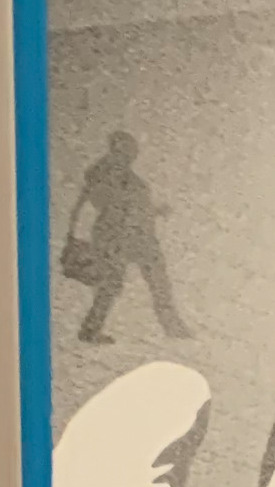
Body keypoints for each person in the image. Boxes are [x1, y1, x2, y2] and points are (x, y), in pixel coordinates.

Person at [62, 130, 191, 343]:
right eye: (127, 150)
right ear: (117, 150)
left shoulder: (121, 176)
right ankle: (91, 330)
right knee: (117, 284)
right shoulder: (104, 175)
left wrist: (155, 211)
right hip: (117, 239)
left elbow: (131, 206)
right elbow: (107, 206)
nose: (130, 155)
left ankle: (172, 326)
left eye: (131, 151)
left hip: (135, 236)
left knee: (154, 280)